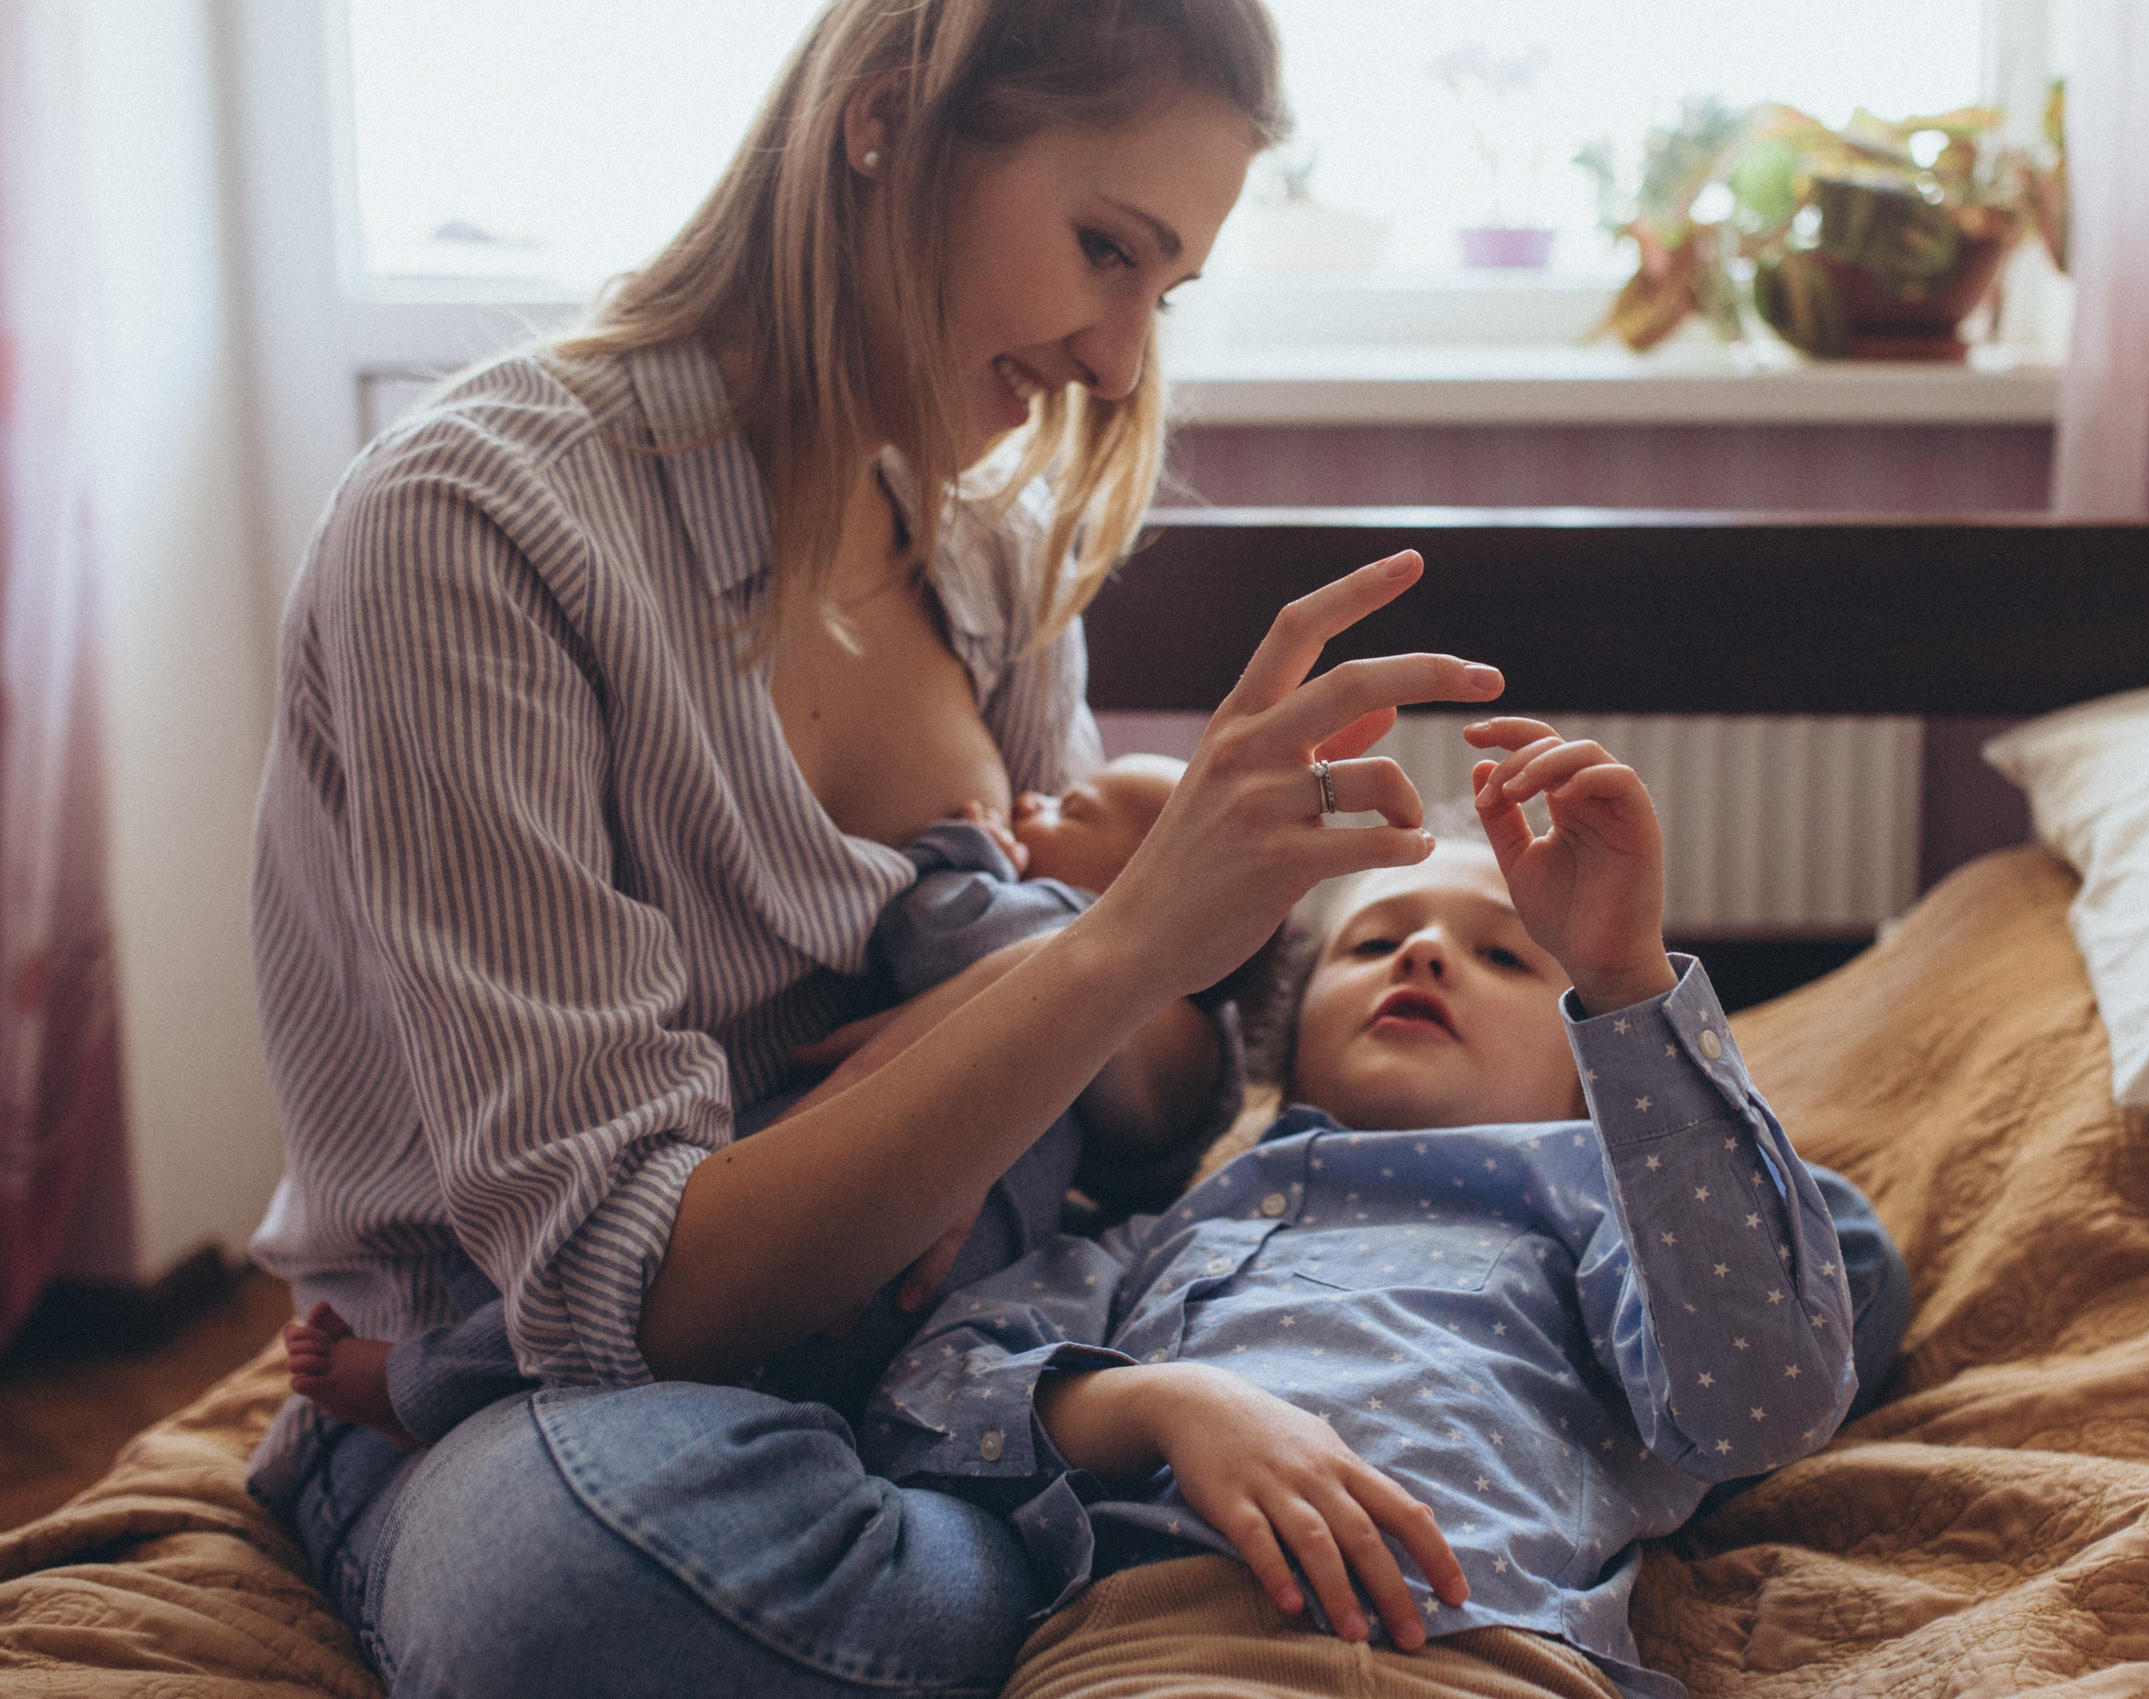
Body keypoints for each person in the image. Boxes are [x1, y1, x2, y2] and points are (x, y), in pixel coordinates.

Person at [239, 2, 1513, 1693]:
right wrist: (1101, 952)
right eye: (1104, 249)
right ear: (887, 121)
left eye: (1164, 291)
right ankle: (1044, 1534)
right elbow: (622, 1297)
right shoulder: (476, 528)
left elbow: (1140, 1122)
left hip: (944, 1351)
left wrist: (1098, 960)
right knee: (581, 1581)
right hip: (532, 1389)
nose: (1116, 360)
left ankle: (1004, 1502)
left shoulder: (982, 556)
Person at [859, 718, 1912, 1699]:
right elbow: (925, 1401)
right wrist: (1163, 1405)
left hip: (1493, 1659)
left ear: (1590, 1082)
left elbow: (1764, 1398)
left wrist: (1625, 984)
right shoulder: (1169, 1229)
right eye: (1369, 945)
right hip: (1156, 1647)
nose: (1423, 954)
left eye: (1503, 954)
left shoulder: (1608, 1221)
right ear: (1286, 1046)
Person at [279, 755, 1198, 1454]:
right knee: (679, 1322)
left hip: (844, 1224)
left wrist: (968, 851)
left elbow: (928, 924)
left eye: (1073, 809)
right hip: (913, 1287)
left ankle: (426, 1382)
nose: (1035, 799)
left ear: (1139, 878)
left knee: (625, 1295)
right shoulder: (1107, 1003)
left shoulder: (1055, 914)